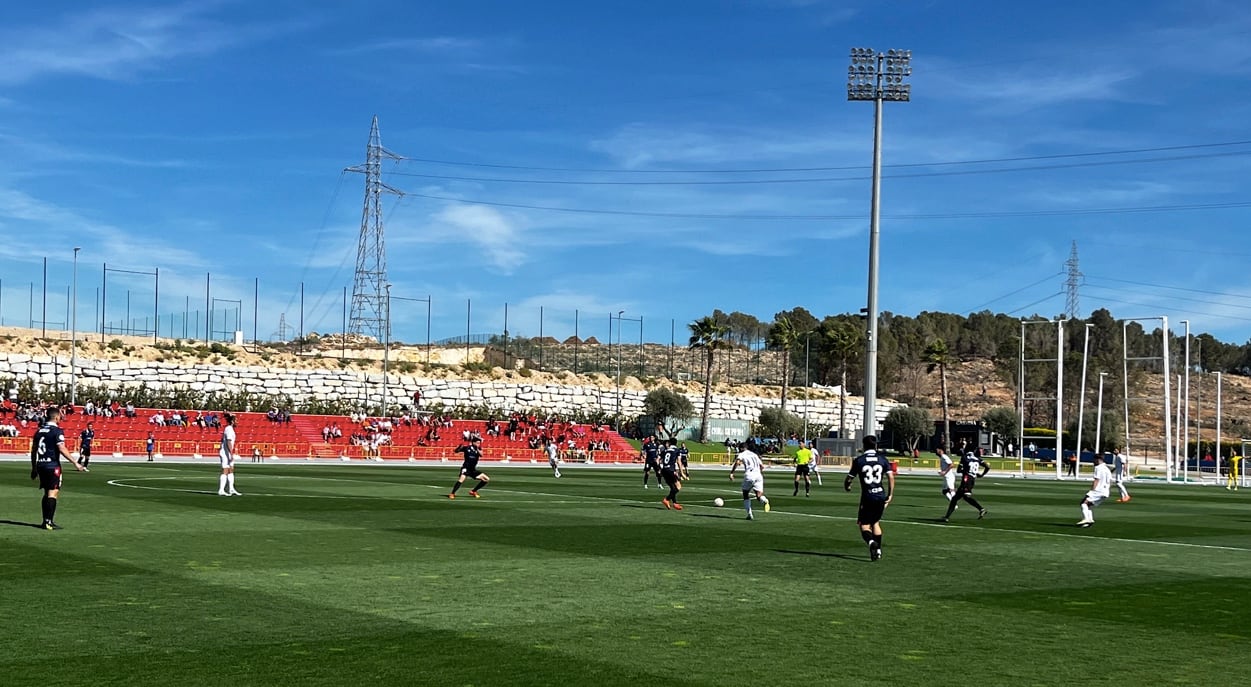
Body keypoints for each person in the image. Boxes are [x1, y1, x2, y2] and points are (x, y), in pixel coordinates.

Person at [30, 407, 87, 529]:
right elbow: (61, 448)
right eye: (60, 416)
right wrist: (75, 463)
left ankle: (45, 520)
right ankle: (48, 522)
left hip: (41, 464)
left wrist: (34, 467)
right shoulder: (57, 431)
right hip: (52, 465)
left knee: (47, 493)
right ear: (56, 417)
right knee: (53, 493)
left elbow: (33, 450)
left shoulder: (39, 431)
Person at [844, 435, 894, 562]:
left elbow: (850, 477)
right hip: (880, 494)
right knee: (875, 522)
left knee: (864, 525)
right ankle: (878, 550)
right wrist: (890, 494)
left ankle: (872, 542)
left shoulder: (859, 460)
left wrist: (847, 486)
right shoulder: (882, 459)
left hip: (868, 496)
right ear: (875, 445)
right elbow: (891, 477)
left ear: (864, 445)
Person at [941, 451, 989, 521]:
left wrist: (965, 470)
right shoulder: (978, 459)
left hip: (966, 478)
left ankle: (981, 509)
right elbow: (987, 467)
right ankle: (946, 517)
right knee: (955, 498)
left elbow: (958, 470)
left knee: (966, 496)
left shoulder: (965, 458)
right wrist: (982, 474)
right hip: (972, 479)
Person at [729, 440, 770, 520]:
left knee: (745, 493)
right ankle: (764, 500)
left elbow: (737, 462)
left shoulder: (742, 454)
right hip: (758, 475)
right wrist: (758, 473)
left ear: (741, 448)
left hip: (749, 475)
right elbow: (762, 466)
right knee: (758, 496)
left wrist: (732, 473)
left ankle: (749, 514)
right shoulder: (754, 454)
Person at [1077, 453, 1113, 527]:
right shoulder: (1107, 468)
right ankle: (1090, 521)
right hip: (1105, 491)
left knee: (1083, 503)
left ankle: (1087, 519)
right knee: (1089, 504)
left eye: (1094, 460)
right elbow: (1110, 481)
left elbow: (1096, 480)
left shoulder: (1098, 468)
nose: (1093, 461)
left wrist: (1092, 490)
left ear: (1098, 459)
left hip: (1098, 490)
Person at [218, 412, 242, 496]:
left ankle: (231, 489)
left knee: (231, 470)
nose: (237, 422)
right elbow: (228, 442)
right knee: (225, 470)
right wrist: (231, 454)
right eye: (236, 420)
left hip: (228, 452)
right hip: (225, 453)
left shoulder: (230, 429)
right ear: (232, 421)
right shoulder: (228, 429)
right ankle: (221, 490)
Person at [659, 438, 684, 510]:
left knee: (672, 487)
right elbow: (679, 462)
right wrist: (681, 472)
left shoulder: (665, 450)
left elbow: (658, 460)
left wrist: (660, 470)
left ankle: (675, 503)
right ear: (676, 443)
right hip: (670, 470)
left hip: (664, 470)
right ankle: (666, 499)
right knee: (678, 486)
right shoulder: (677, 450)